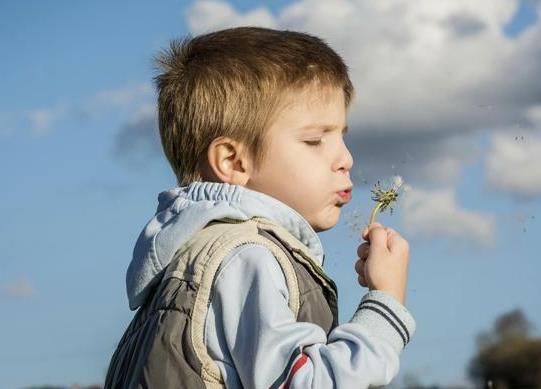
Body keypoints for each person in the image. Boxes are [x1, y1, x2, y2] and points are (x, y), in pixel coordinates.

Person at [105, 26, 415, 389]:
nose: (346, 159)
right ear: (233, 162)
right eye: (314, 140)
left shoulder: (191, 260)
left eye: (341, 137)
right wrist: (385, 302)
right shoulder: (245, 257)